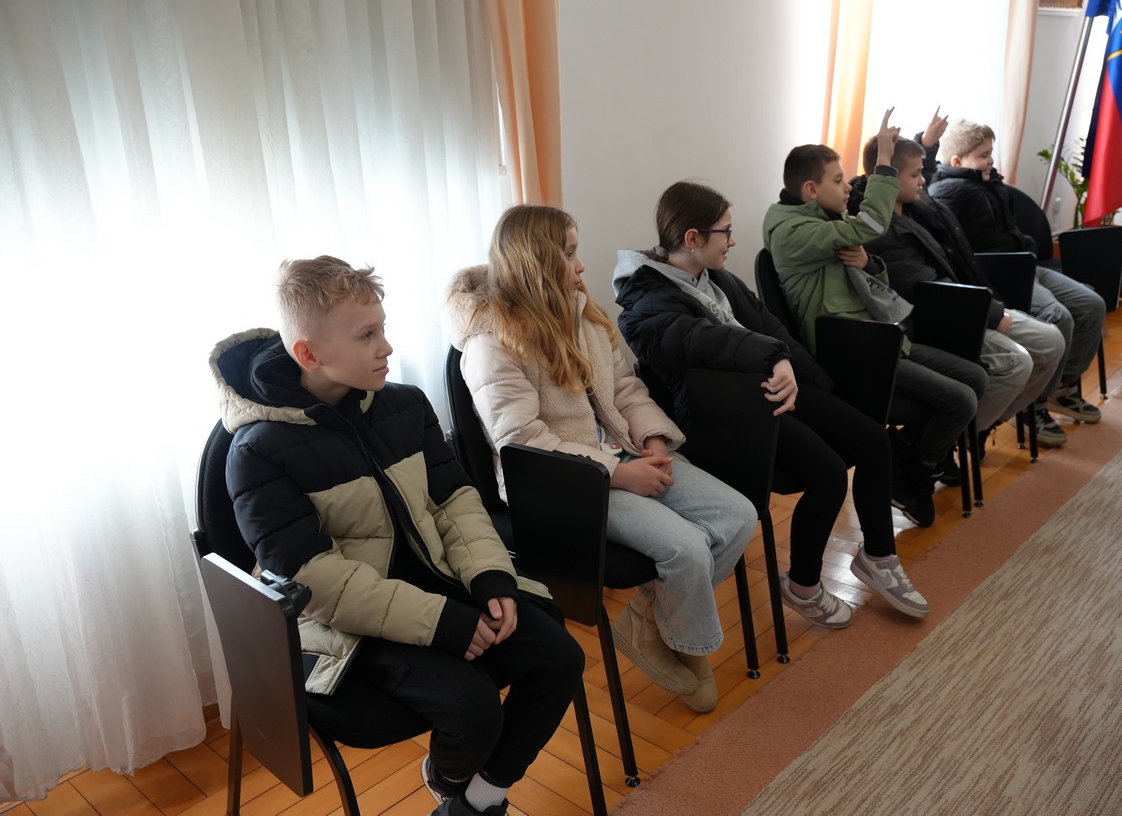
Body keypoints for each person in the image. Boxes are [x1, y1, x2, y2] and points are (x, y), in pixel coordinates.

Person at [212, 256, 584, 816]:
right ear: (308, 354)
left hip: (436, 581)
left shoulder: (404, 405)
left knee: (559, 657)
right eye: (366, 336)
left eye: (382, 328)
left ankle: (472, 802)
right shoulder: (257, 452)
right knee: (473, 707)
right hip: (345, 624)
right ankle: (458, 786)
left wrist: (489, 576)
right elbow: (314, 580)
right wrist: (441, 621)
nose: (386, 347)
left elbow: (455, 501)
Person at [447, 205, 757, 714]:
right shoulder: (491, 342)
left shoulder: (582, 313)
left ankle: (648, 621)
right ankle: (686, 643)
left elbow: (627, 390)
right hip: (566, 484)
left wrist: (653, 439)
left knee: (739, 515)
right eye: (569, 253)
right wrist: (617, 473)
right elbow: (521, 441)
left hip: (622, 453)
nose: (581, 265)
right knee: (687, 548)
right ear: (535, 261)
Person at [612, 180, 930, 625]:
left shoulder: (717, 278)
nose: (733, 240)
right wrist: (774, 357)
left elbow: (771, 328)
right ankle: (803, 586)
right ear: (693, 238)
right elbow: (707, 341)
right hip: (724, 418)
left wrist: (818, 385)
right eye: (725, 231)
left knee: (873, 441)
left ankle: (878, 555)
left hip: (768, 390)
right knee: (828, 474)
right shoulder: (645, 302)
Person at [763, 110, 987, 525]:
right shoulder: (793, 233)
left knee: (975, 377)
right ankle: (914, 472)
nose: (848, 187)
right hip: (855, 352)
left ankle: (907, 462)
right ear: (811, 190)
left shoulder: (824, 219)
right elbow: (871, 223)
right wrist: (884, 160)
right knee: (961, 400)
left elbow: (871, 282)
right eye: (838, 180)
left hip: (881, 338)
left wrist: (868, 263)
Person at [852, 135, 1068, 444]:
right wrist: (992, 315)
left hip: (966, 301)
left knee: (1051, 341)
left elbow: (926, 169)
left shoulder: (915, 204)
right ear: (889, 179)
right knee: (1017, 363)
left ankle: (980, 426)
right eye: (915, 175)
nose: (923, 180)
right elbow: (924, 288)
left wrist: (926, 141)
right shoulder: (879, 229)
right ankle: (951, 439)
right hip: (941, 318)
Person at [927, 118, 1106, 441]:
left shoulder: (990, 183)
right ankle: (1034, 407)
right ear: (957, 161)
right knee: (1057, 316)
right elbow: (952, 250)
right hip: (1000, 273)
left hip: (1025, 264)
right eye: (983, 155)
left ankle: (1062, 388)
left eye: (991, 153)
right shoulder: (947, 192)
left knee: (1091, 304)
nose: (990, 161)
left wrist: (1026, 246)